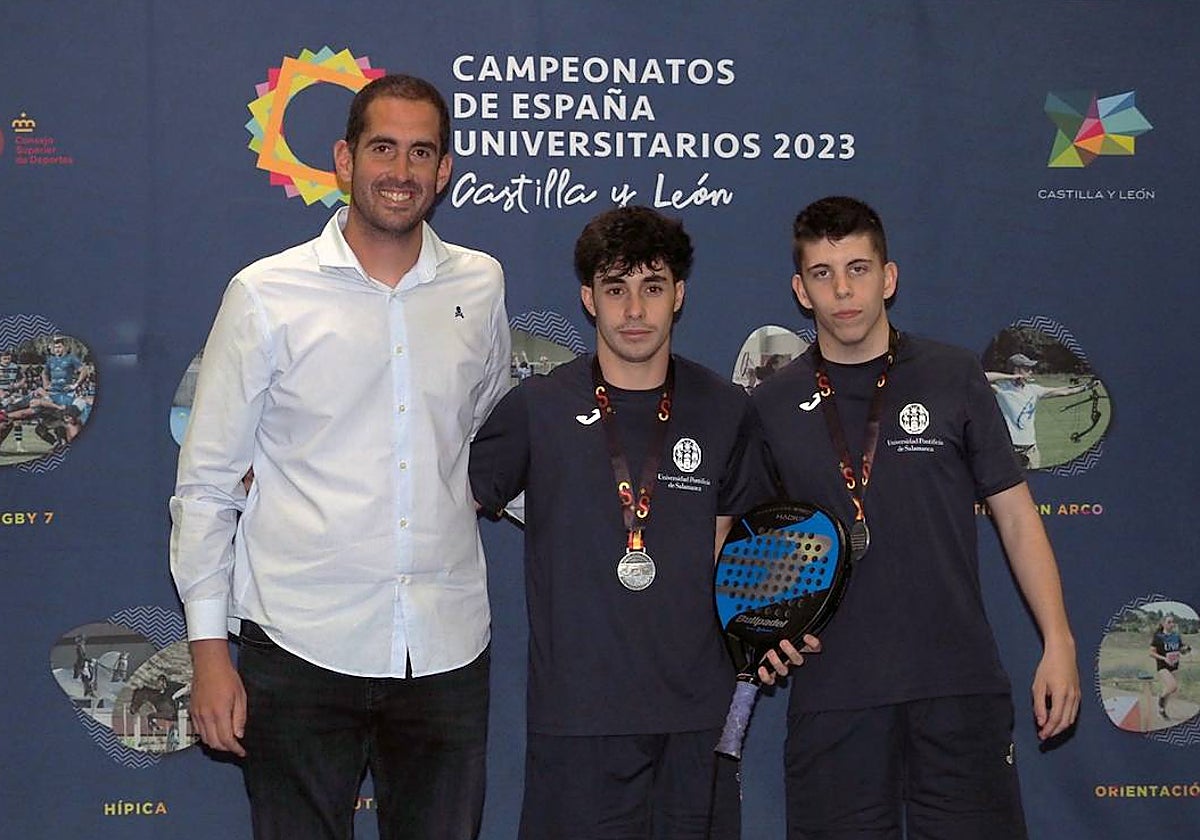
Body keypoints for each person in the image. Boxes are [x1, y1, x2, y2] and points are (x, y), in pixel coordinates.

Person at [169, 73, 510, 840]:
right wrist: (209, 653)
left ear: (445, 170)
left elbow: (480, 426)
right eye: (382, 148)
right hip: (297, 648)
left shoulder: (481, 285)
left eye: (422, 152)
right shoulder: (266, 294)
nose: (401, 171)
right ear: (343, 159)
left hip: (445, 650)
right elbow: (206, 484)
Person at [470, 206, 811, 839]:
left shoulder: (725, 408)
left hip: (695, 719)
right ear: (587, 298)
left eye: (652, 288)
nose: (634, 310)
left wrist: (772, 624)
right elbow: (442, 513)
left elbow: (735, 549)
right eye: (616, 289)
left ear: (678, 296)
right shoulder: (537, 408)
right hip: (578, 720)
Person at [752, 196, 1080, 839]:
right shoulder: (771, 404)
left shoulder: (952, 374)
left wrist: (1060, 641)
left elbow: (1015, 515)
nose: (842, 289)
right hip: (834, 697)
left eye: (858, 268)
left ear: (889, 277)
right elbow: (749, 541)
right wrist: (760, 627)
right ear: (800, 289)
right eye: (823, 273)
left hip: (956, 688)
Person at [985, 352, 1097, 468]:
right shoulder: (1001, 389)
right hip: (1010, 450)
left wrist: (1087, 386)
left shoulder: (1034, 390)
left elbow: (1065, 391)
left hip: (1031, 451)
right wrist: (1011, 377)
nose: (1031, 372)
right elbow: (981, 376)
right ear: (1017, 370)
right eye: (1027, 369)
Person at [1149, 614, 1190, 720]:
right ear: (1163, 624)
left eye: (1173, 622)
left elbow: (1180, 649)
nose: (1172, 624)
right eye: (1169, 622)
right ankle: (1160, 698)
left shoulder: (1176, 636)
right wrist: (1164, 658)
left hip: (1174, 666)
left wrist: (1186, 649)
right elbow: (1151, 653)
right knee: (1172, 686)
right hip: (1163, 666)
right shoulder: (1158, 637)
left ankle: (1162, 711)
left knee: (1169, 690)